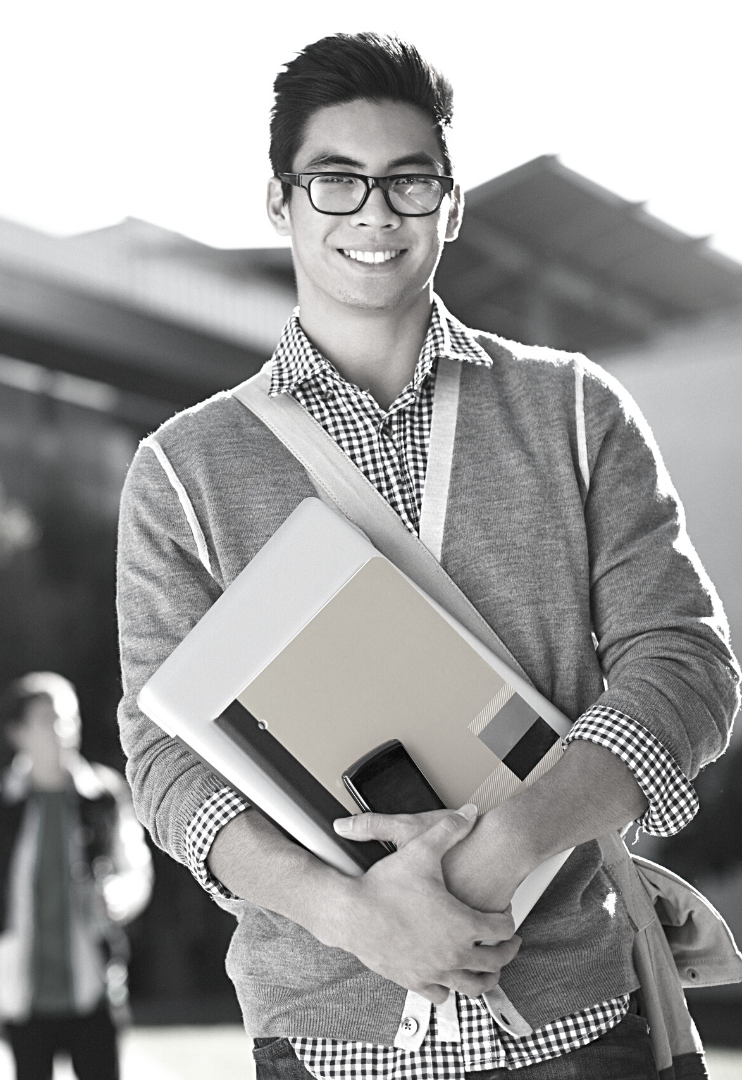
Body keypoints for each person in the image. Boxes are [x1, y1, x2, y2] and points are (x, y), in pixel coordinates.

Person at [115, 32, 739, 1080]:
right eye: (336, 182)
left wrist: (496, 855)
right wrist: (355, 917)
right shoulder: (184, 469)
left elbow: (686, 669)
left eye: (410, 182)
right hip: (328, 1034)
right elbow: (164, 759)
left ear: (451, 205)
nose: (375, 213)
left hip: (576, 1021)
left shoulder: (573, 411)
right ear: (280, 203)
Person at [0, 671, 153, 1080]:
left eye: (69, 718)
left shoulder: (105, 796)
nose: (62, 731)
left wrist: (121, 897)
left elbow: (136, 870)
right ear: (18, 733)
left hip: (94, 987)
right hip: (20, 994)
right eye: (47, 720)